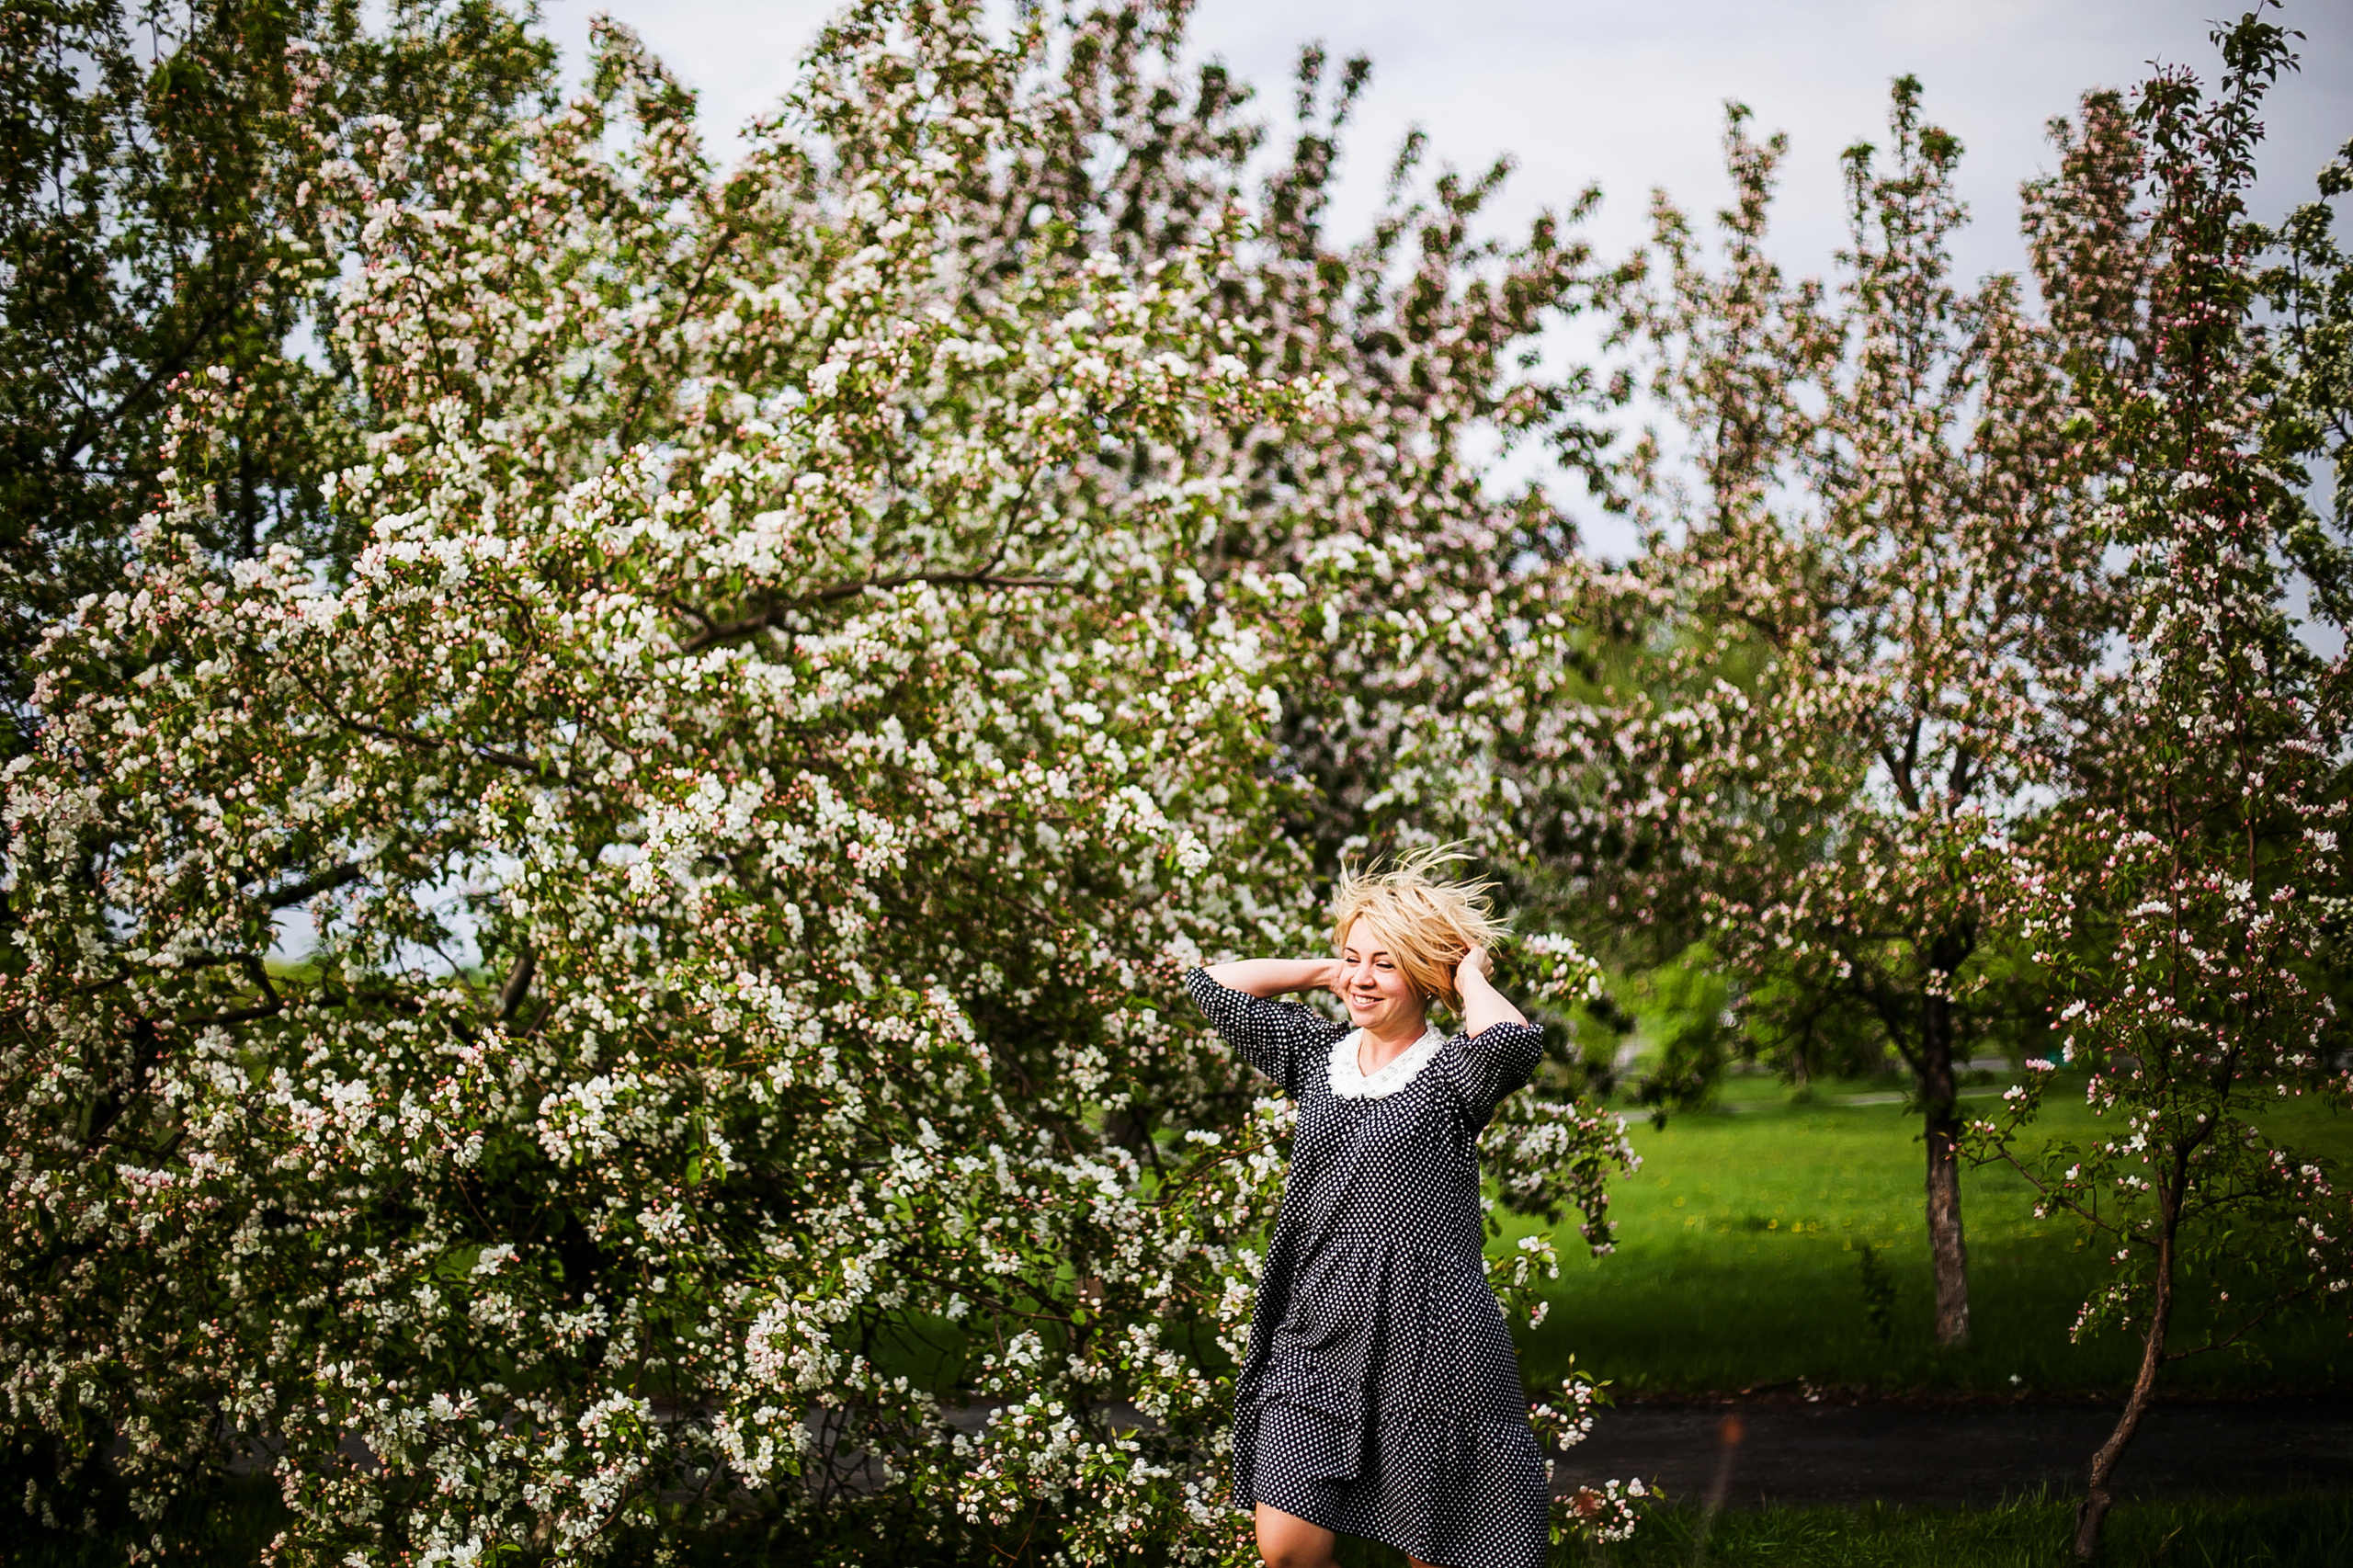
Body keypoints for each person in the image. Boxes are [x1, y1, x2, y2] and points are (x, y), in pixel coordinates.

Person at [1186, 848, 1553, 1568]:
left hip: (1430, 1342)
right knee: (1286, 1549)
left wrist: (1467, 972)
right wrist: (1334, 968)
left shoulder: (1452, 1076)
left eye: (1385, 964)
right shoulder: (1315, 1054)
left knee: (1441, 1551)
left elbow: (1512, 1043)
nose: (1362, 978)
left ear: (1422, 975)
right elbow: (1212, 985)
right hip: (1317, 1330)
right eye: (1354, 959)